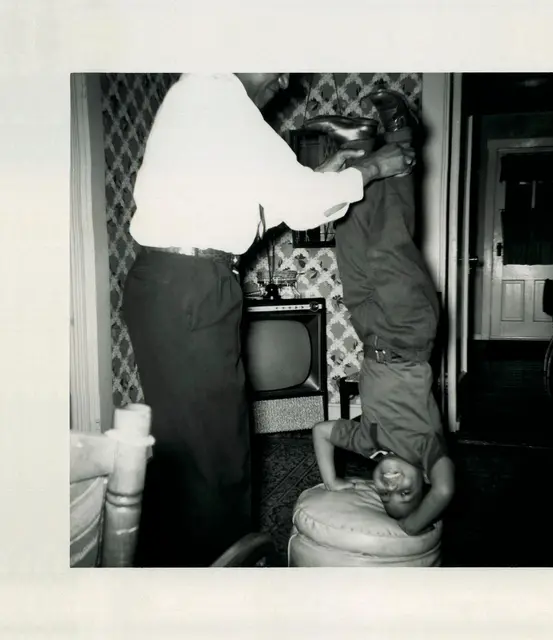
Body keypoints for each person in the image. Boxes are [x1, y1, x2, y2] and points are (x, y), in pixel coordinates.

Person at [121, 73, 415, 567]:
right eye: (281, 67)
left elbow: (273, 209)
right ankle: (216, 573)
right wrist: (374, 167)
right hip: (191, 283)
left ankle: (186, 563)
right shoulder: (216, 89)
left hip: (182, 281)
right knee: (213, 455)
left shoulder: (204, 96)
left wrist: (330, 172)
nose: (283, 80)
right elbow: (301, 204)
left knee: (193, 448)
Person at [306, 89, 455, 535]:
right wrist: (409, 528)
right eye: (406, 493)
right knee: (389, 241)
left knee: (350, 235)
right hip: (410, 332)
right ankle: (398, 132)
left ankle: (360, 142)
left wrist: (333, 482)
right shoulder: (427, 451)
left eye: (385, 496)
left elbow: (320, 431)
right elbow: (445, 491)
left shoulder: (367, 442)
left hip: (369, 329)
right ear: (423, 478)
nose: (391, 487)